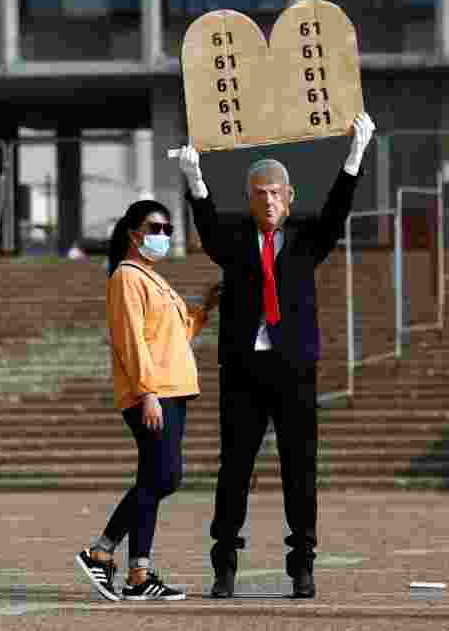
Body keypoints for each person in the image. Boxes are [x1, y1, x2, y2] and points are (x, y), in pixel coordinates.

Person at [175, 112, 375, 599]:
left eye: (276, 193)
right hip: (244, 371)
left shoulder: (308, 242)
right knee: (234, 469)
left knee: (300, 468)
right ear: (249, 199)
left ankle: (302, 564)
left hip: (294, 371)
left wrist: (355, 154)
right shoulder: (235, 242)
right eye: (260, 193)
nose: (268, 200)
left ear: (290, 199)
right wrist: (194, 177)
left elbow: (337, 211)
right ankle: (225, 565)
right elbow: (206, 224)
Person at [74, 200, 221, 602]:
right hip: (154, 393)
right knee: (164, 477)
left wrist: (205, 308)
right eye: (155, 227)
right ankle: (100, 551)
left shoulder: (153, 278)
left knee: (154, 479)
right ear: (132, 233)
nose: (163, 236)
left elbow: (173, 336)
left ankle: (139, 574)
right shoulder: (127, 277)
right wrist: (147, 392)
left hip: (171, 390)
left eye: (168, 229)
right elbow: (130, 339)